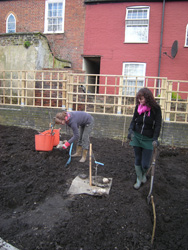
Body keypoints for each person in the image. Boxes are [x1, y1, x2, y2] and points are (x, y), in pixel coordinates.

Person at [127, 88, 162, 190]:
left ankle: (143, 173)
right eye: (138, 99)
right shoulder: (138, 107)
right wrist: (130, 131)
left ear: (147, 98)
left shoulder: (156, 108)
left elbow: (158, 125)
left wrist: (155, 138)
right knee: (138, 158)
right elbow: (134, 120)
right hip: (137, 136)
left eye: (141, 99)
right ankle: (139, 178)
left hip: (148, 138)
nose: (139, 101)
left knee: (146, 164)